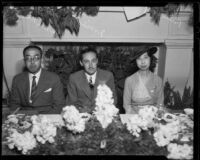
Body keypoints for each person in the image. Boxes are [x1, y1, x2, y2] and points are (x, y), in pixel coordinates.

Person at [9, 45, 65, 114]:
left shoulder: (53, 78)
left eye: (36, 58)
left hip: (47, 118)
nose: (32, 61)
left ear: (41, 60)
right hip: (25, 118)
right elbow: (15, 105)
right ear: (24, 61)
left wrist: (45, 120)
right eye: (28, 58)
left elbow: (59, 105)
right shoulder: (17, 79)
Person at [66, 48, 117, 113]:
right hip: (81, 116)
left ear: (97, 61)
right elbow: (71, 103)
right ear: (81, 63)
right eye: (86, 61)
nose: (90, 65)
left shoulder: (108, 76)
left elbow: (113, 100)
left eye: (93, 61)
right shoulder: (74, 78)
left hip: (102, 115)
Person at [123, 46, 164, 114]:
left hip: (153, 116)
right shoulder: (129, 80)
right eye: (139, 58)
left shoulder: (158, 80)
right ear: (135, 61)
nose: (142, 62)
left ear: (150, 59)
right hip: (134, 117)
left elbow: (160, 104)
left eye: (145, 57)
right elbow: (126, 105)